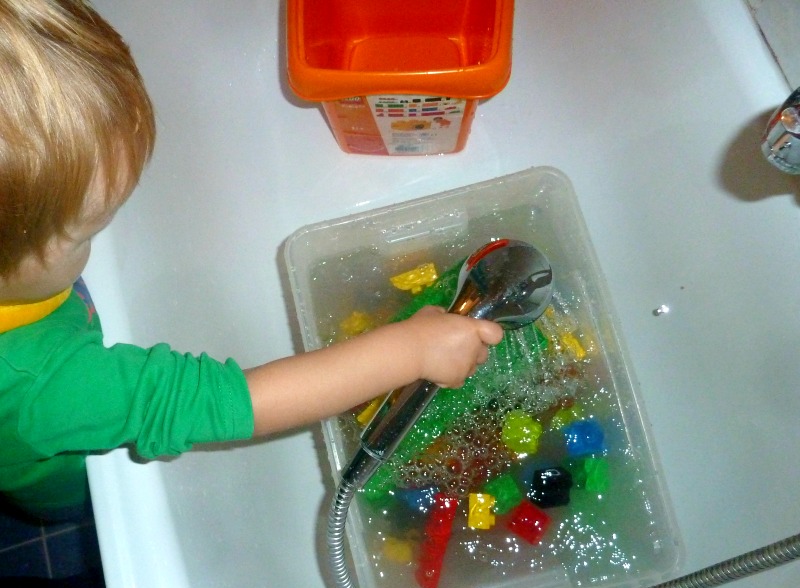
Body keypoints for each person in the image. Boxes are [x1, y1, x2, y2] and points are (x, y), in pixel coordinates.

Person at [0, 0, 503, 520]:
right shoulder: (43, 384)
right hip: (56, 472)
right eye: (85, 233)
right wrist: (411, 353)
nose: (97, 244)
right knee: (83, 504)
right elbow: (221, 401)